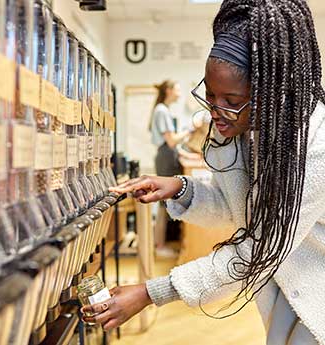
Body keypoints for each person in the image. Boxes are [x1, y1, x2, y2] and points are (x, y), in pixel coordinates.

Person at [81, 0, 325, 343]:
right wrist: (181, 188)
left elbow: (260, 247)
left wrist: (151, 292)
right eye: (210, 96)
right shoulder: (251, 129)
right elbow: (238, 207)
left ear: (270, 92)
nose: (216, 111)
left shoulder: (315, 147)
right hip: (289, 282)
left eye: (231, 99)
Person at [149, 80, 189, 257]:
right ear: (169, 90)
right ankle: (159, 246)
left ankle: (161, 244)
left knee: (167, 201)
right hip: (165, 157)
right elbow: (171, 141)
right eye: (178, 89)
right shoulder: (162, 111)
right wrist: (190, 130)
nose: (179, 93)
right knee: (165, 202)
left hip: (168, 155)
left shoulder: (163, 110)